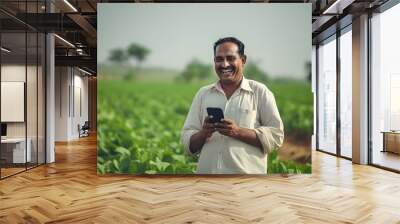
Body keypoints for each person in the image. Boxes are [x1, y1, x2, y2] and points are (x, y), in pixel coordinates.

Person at [181, 37, 284, 174]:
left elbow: (276, 136)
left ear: (243, 60)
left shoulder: (260, 92)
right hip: (208, 179)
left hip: (246, 183)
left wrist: (237, 131)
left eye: (230, 58)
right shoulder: (203, 94)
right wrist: (204, 133)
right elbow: (188, 143)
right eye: (219, 59)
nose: (224, 64)